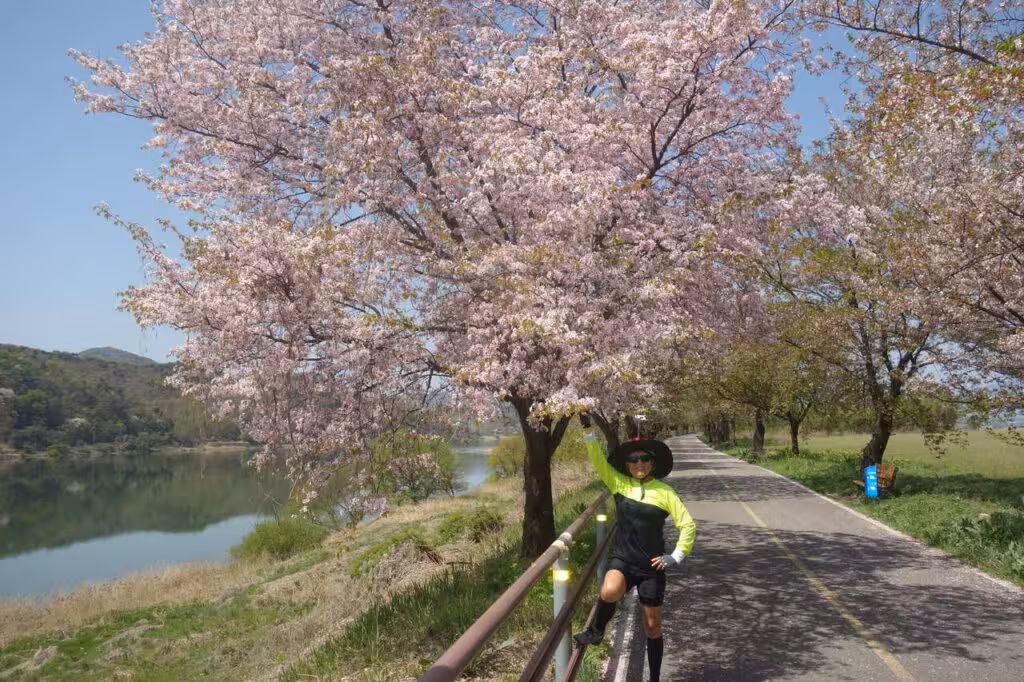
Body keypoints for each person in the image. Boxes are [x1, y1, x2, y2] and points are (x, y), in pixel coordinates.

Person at [574, 415, 696, 682]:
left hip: (652, 567)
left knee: (653, 626)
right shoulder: (619, 484)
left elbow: (688, 525)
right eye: (633, 460)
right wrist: (587, 429)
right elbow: (598, 461)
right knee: (609, 590)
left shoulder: (665, 492)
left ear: (653, 463)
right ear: (627, 465)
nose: (639, 464)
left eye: (644, 459)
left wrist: (675, 556)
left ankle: (654, 677)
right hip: (624, 560)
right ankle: (596, 631)